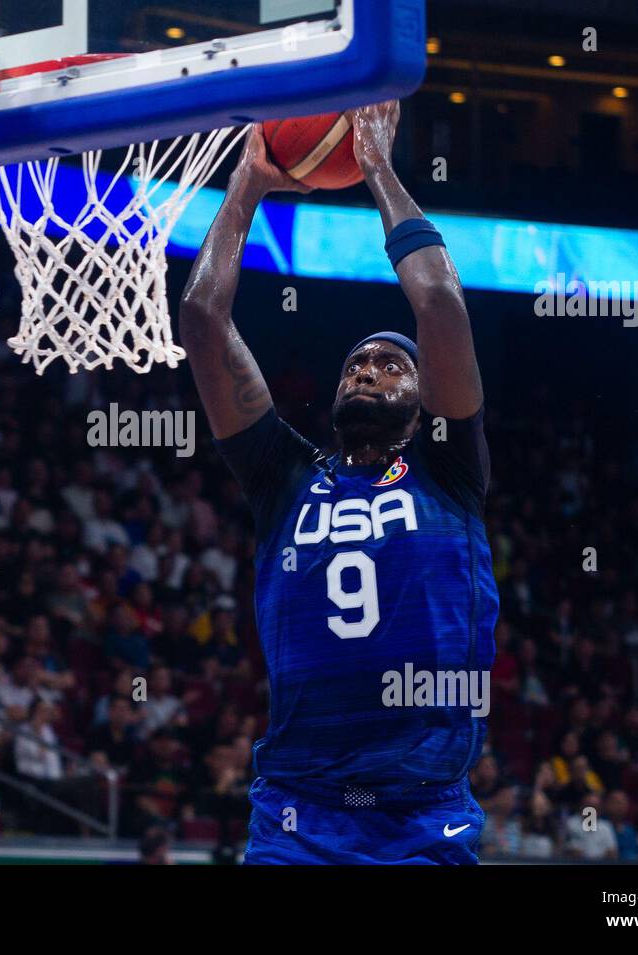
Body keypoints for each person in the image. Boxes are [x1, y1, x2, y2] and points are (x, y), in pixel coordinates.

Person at [178, 102, 496, 864]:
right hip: (299, 810)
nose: (369, 369)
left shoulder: (447, 470)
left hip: (424, 812)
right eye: (357, 364)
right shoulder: (283, 477)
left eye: (393, 364)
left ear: (425, 405)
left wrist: (378, 165)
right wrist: (247, 186)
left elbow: (440, 302)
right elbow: (200, 316)